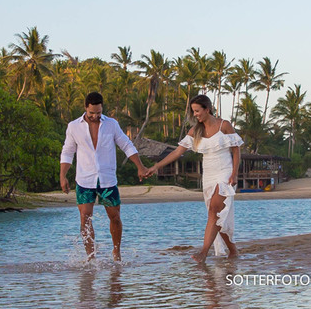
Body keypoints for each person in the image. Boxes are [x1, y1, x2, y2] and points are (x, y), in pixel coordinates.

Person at [145, 94, 243, 263]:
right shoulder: (195, 131)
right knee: (217, 215)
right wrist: (155, 167)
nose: (196, 114)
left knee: (214, 211)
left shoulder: (224, 125)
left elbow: (236, 150)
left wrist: (234, 173)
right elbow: (177, 152)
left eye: (198, 111)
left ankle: (203, 253)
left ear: (207, 109)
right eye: (193, 112)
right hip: (209, 176)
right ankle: (233, 251)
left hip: (225, 173)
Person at [60, 91, 148, 261]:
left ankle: (116, 251)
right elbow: (67, 152)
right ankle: (91, 257)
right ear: (85, 108)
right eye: (92, 113)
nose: (95, 116)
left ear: (102, 109)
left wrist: (140, 167)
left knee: (114, 216)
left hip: (107, 180)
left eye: (99, 113)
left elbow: (126, 145)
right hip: (85, 179)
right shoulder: (73, 126)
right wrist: (63, 176)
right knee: (85, 217)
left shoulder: (112, 124)